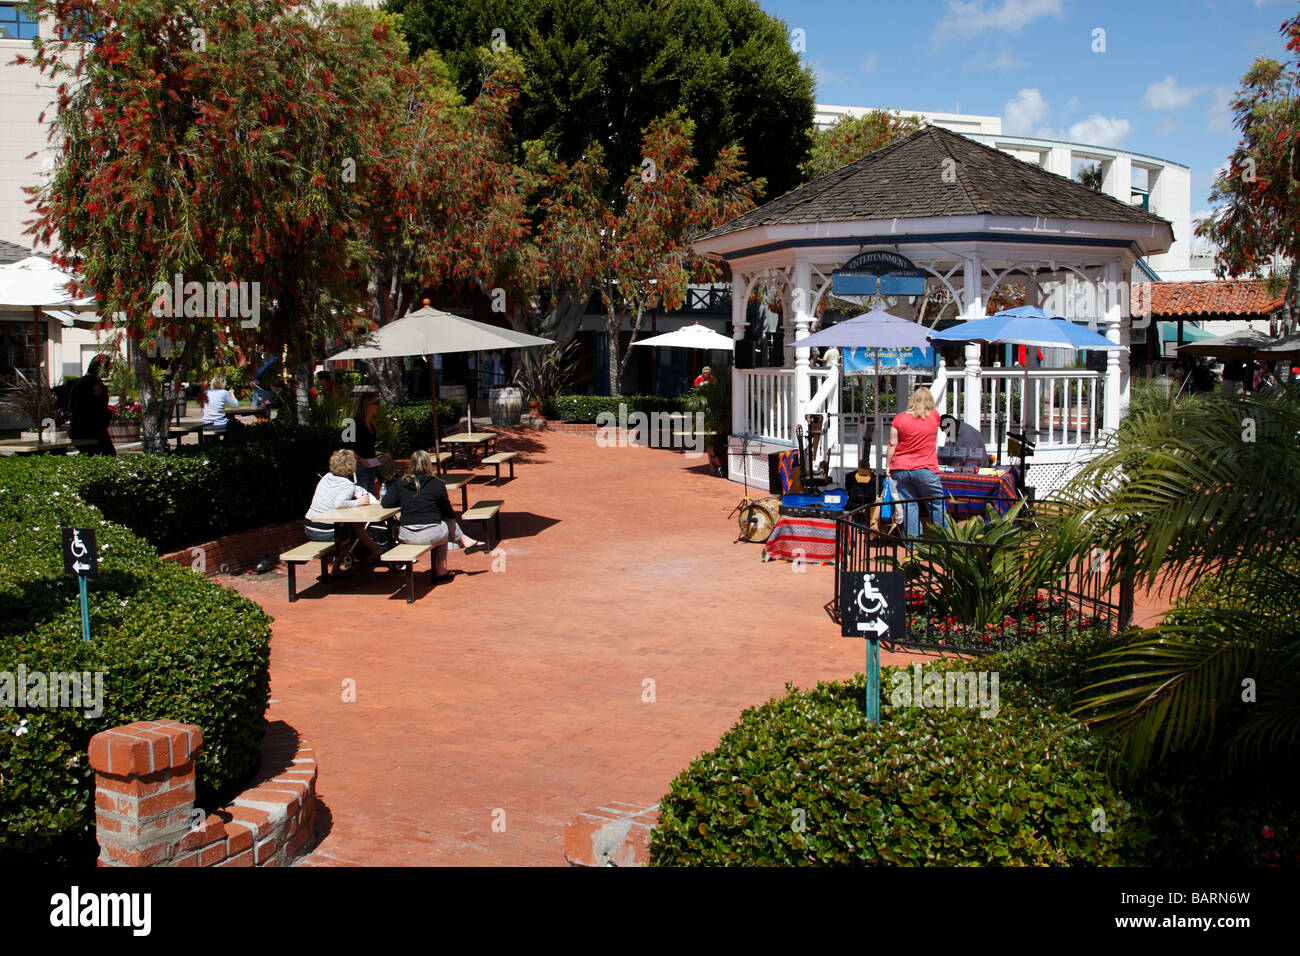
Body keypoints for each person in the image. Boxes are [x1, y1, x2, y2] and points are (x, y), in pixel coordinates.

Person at [381, 449, 487, 582]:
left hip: (406, 534)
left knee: (442, 525)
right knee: (444, 525)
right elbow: (447, 511)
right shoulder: (437, 483)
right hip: (431, 534)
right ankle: (444, 567)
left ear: (411, 465)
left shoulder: (401, 483)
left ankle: (466, 541)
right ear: (428, 465)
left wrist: (405, 499)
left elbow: (386, 503)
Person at [885, 386, 946, 543]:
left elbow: (892, 444)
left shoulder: (899, 419)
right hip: (926, 468)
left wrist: (887, 466)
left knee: (909, 506)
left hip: (901, 467)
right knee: (936, 504)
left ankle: (913, 545)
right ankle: (943, 542)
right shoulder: (934, 416)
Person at [305, 449, 382, 575]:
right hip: (325, 531)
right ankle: (336, 569)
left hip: (309, 527)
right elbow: (339, 504)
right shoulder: (347, 485)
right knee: (350, 535)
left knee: (352, 526)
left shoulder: (326, 477)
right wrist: (360, 501)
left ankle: (374, 548)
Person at [68, 356, 115, 456]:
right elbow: (93, 407)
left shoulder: (83, 381)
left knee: (93, 454)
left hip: (84, 429)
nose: (110, 370)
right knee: (108, 454)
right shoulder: (91, 383)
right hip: (90, 430)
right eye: (109, 367)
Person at [347, 392, 382, 493]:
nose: (377, 406)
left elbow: (370, 447)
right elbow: (346, 447)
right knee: (363, 494)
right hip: (360, 467)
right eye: (375, 403)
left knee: (370, 494)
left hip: (371, 465)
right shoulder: (354, 424)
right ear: (366, 405)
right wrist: (360, 460)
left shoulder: (370, 423)